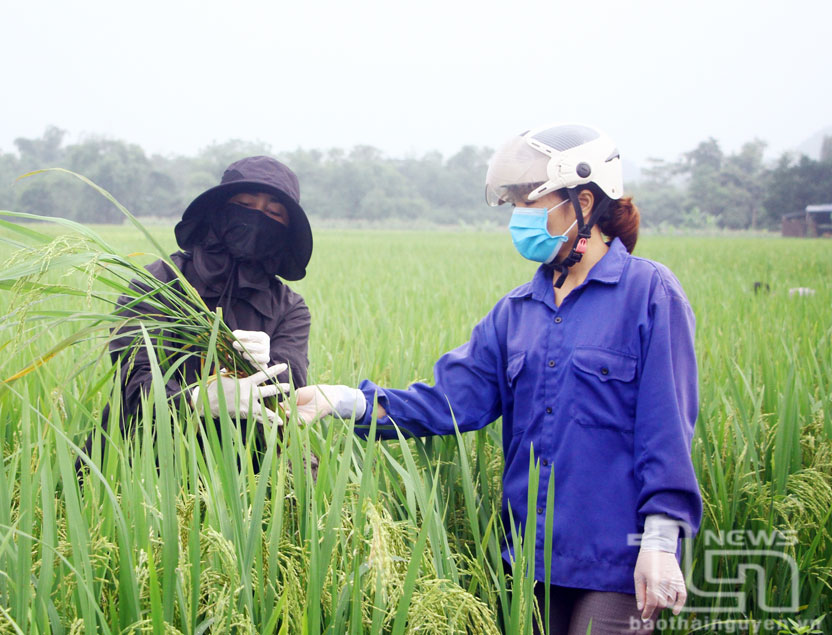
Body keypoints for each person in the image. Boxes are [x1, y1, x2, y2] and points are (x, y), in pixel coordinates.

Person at [295, 123, 702, 634]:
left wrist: (661, 543)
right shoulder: (516, 312)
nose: (519, 217)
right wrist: (343, 400)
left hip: (617, 564)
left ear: (584, 201)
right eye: (514, 204)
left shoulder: (649, 294)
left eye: (531, 202)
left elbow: (667, 428)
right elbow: (448, 401)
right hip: (529, 560)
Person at [80, 155, 312, 468]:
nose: (256, 219)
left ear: (284, 231)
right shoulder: (158, 285)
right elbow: (134, 382)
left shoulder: (289, 308)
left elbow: (289, 386)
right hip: (142, 457)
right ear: (219, 211)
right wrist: (196, 400)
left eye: (272, 213)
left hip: (245, 465)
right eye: (245, 205)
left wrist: (261, 365)